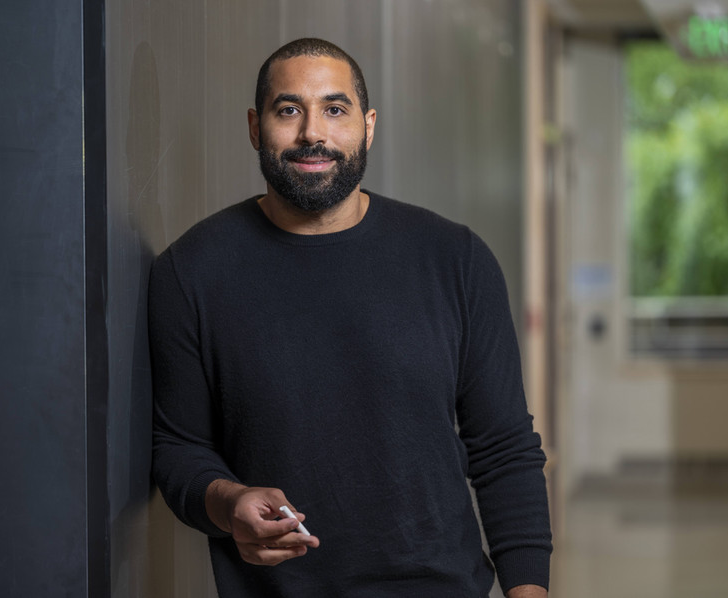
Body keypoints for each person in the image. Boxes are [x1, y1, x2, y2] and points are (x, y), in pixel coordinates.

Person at [149, 38, 552, 598]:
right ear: (253, 127)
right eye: (288, 110)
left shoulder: (455, 260)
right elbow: (177, 447)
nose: (313, 131)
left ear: (367, 126)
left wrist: (528, 589)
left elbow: (502, 445)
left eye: (335, 110)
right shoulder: (190, 272)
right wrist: (226, 502)